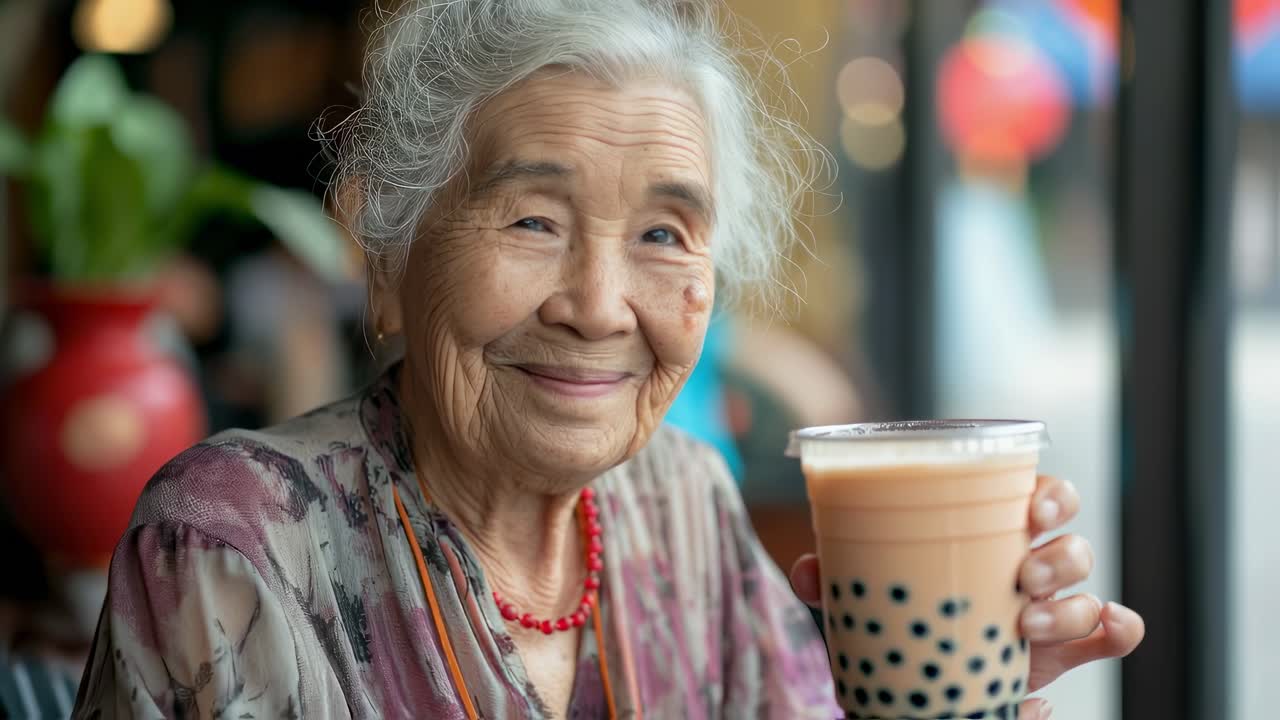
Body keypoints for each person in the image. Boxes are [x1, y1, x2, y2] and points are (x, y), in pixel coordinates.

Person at [73, 1, 1144, 717]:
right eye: (532, 221)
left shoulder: (683, 503)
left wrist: (966, 691)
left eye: (663, 236)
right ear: (389, 262)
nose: (598, 307)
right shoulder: (230, 549)